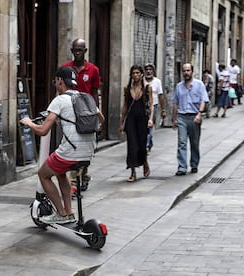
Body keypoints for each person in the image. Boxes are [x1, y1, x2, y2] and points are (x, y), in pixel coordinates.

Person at [20, 66, 104, 224]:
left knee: (43, 174)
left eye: (55, 81)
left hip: (70, 152)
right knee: (60, 172)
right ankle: (69, 211)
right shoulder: (85, 97)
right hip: (88, 151)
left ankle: (61, 213)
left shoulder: (59, 100)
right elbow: (101, 119)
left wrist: (29, 123)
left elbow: (43, 130)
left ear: (60, 81)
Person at [62, 38, 101, 191]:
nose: (77, 53)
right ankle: (73, 181)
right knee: (73, 145)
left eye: (80, 50)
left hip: (86, 113)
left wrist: (96, 113)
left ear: (85, 51)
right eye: (75, 50)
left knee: (85, 146)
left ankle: (83, 174)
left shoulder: (93, 70)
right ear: (72, 51)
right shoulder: (66, 68)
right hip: (70, 111)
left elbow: (95, 92)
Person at [172, 63, 209, 176]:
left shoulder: (199, 84)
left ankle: (194, 164)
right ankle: (182, 167)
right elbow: (175, 103)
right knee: (182, 142)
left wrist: (199, 114)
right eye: (184, 71)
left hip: (194, 117)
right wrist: (174, 119)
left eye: (188, 70)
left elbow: (204, 100)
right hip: (182, 117)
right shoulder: (179, 86)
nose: (186, 73)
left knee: (194, 143)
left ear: (192, 71)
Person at [118, 65, 154, 182]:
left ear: (141, 74)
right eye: (133, 73)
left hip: (143, 119)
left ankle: (144, 161)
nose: (135, 75)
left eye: (138, 73)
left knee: (142, 146)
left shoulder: (147, 88)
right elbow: (125, 106)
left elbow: (151, 105)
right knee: (132, 146)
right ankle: (133, 171)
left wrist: (151, 119)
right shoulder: (127, 88)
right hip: (131, 120)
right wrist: (122, 122)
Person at [144, 63, 166, 151]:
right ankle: (149, 142)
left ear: (153, 71)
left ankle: (146, 144)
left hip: (154, 106)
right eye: (147, 69)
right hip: (143, 106)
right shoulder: (142, 81)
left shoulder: (157, 81)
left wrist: (163, 109)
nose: (148, 71)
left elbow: (160, 96)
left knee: (150, 125)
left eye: (150, 69)